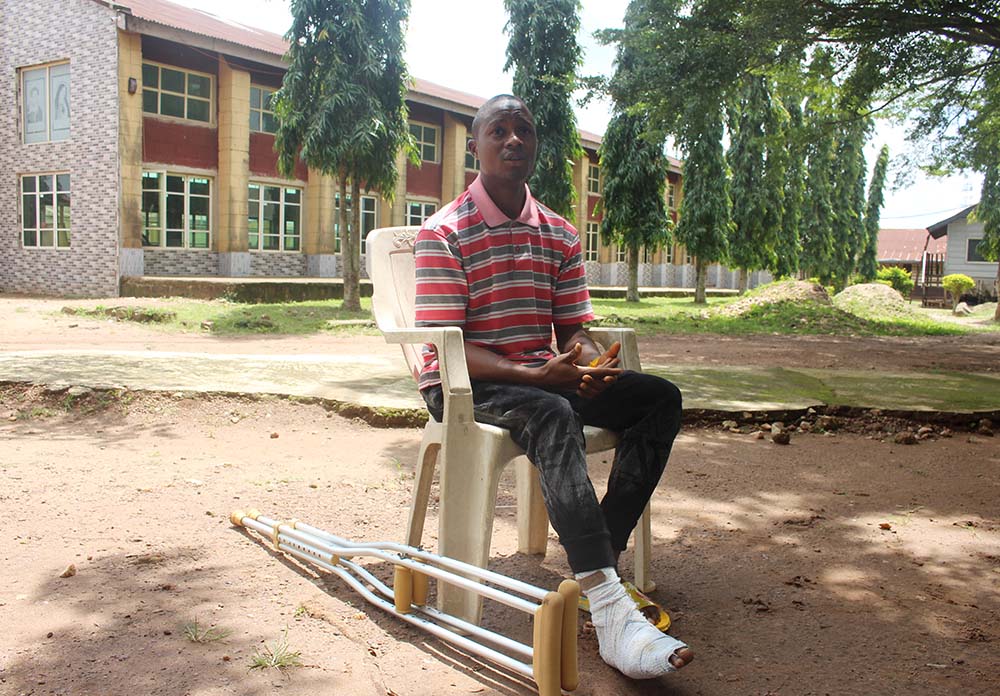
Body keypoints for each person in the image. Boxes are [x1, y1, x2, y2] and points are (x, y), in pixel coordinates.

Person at [413, 94, 693, 679]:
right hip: (464, 382)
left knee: (658, 398)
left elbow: (572, 329)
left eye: (525, 131)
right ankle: (608, 600)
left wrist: (590, 364)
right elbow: (450, 347)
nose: (514, 140)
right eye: (500, 131)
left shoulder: (561, 235)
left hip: (543, 376)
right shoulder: (443, 233)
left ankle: (601, 559)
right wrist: (537, 375)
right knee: (550, 412)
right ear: (476, 147)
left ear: (536, 145)